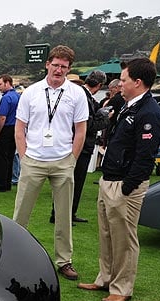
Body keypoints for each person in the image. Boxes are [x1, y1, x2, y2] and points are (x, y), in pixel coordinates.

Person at [78, 58, 160, 301]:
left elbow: (145, 156)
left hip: (125, 185)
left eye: (124, 80)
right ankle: (105, 278)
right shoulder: (129, 106)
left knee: (124, 237)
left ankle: (122, 287)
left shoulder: (149, 112)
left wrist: (127, 187)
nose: (119, 85)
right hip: (109, 179)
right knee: (106, 234)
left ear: (137, 82)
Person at [13, 44, 88, 282]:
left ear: (69, 69)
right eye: (55, 65)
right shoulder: (32, 92)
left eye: (63, 67)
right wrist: (24, 158)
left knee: (64, 215)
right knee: (20, 214)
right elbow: (19, 128)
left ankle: (64, 261)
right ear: (47, 64)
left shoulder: (77, 94)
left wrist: (72, 160)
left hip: (62, 161)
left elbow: (81, 130)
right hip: (33, 160)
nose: (58, 70)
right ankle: (12, 256)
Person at [50, 70, 111, 224]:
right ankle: (61, 214)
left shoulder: (83, 95)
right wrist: (104, 118)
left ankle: (67, 213)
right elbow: (88, 125)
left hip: (76, 144)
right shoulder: (83, 96)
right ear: (99, 85)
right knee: (72, 181)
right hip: (79, 146)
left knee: (72, 182)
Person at [0, 74, 19, 192]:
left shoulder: (6, 98)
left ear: (7, 83)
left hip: (6, 129)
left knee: (1, 158)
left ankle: (1, 184)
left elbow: (2, 117)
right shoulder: (17, 96)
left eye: (0, 84)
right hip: (15, 128)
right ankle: (7, 183)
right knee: (10, 157)